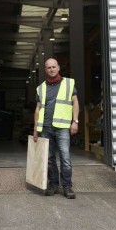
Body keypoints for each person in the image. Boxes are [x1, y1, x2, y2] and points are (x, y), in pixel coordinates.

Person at [33, 58, 80, 199]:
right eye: (49, 67)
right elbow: (37, 109)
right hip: (46, 127)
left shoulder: (68, 83)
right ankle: (53, 184)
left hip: (62, 127)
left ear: (58, 68)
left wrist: (75, 121)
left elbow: (75, 103)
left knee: (65, 158)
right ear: (45, 70)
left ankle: (67, 186)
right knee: (49, 159)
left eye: (54, 67)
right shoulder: (41, 88)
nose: (52, 69)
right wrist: (35, 129)